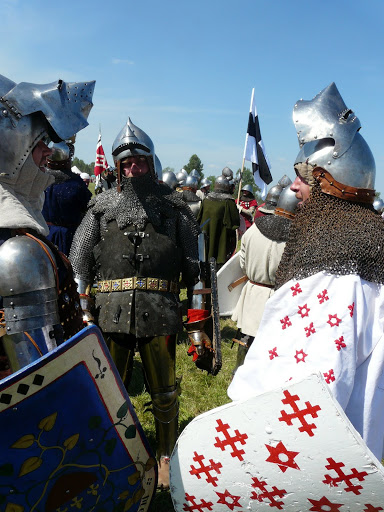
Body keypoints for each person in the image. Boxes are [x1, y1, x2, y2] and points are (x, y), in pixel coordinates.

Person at [228, 82, 384, 461]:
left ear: (328, 180)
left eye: (304, 174)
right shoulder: (371, 246)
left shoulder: (332, 269)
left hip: (317, 463)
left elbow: (303, 389)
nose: (295, 186)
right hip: (361, 452)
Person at [69, 117, 200, 487]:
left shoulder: (175, 209)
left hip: (160, 311)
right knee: (113, 391)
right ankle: (116, 452)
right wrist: (82, 310)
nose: (132, 167)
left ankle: (165, 455)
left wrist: (199, 326)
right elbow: (79, 263)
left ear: (150, 162)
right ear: (117, 167)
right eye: (125, 163)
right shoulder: (100, 207)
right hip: (110, 314)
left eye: (138, 161)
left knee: (164, 391)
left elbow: (197, 271)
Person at [0, 73, 95, 375]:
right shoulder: (11, 239)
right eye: (39, 141)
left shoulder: (22, 218)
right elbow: (33, 368)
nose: (48, 151)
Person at [231, 185, 299, 374]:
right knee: (272, 347)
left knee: (246, 340)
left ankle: (239, 376)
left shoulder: (253, 231)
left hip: (253, 292)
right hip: (280, 298)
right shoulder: (297, 238)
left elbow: (243, 265)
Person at [42, 141, 92, 255]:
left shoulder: (39, 179)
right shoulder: (76, 183)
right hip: (70, 236)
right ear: (67, 159)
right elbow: (87, 209)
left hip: (44, 234)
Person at [197, 175, 240, 268]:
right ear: (226, 186)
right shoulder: (229, 202)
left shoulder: (206, 199)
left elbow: (199, 218)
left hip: (205, 238)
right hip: (221, 240)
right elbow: (234, 224)